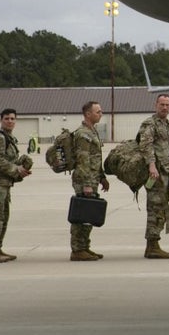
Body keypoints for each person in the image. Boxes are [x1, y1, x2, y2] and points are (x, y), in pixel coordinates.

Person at [0, 108, 32, 263]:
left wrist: (22, 164)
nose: (10, 121)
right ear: (1, 120)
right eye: (7, 118)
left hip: (4, 184)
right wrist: (16, 170)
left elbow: (8, 160)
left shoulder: (9, 138)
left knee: (3, 216)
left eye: (12, 119)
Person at [139, 93, 169, 259]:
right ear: (155, 105)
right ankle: (152, 246)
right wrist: (151, 165)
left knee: (161, 207)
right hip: (155, 173)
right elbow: (146, 145)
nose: (165, 107)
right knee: (155, 208)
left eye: (167, 105)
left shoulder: (167, 125)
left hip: (165, 173)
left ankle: (154, 244)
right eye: (162, 104)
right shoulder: (150, 124)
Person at [69, 101, 109, 261]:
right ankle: (77, 249)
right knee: (81, 216)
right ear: (88, 114)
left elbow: (95, 158)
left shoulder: (92, 131)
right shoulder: (83, 134)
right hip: (84, 180)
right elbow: (83, 159)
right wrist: (86, 184)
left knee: (88, 215)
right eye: (98, 111)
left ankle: (85, 247)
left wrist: (102, 177)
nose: (101, 113)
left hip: (92, 179)